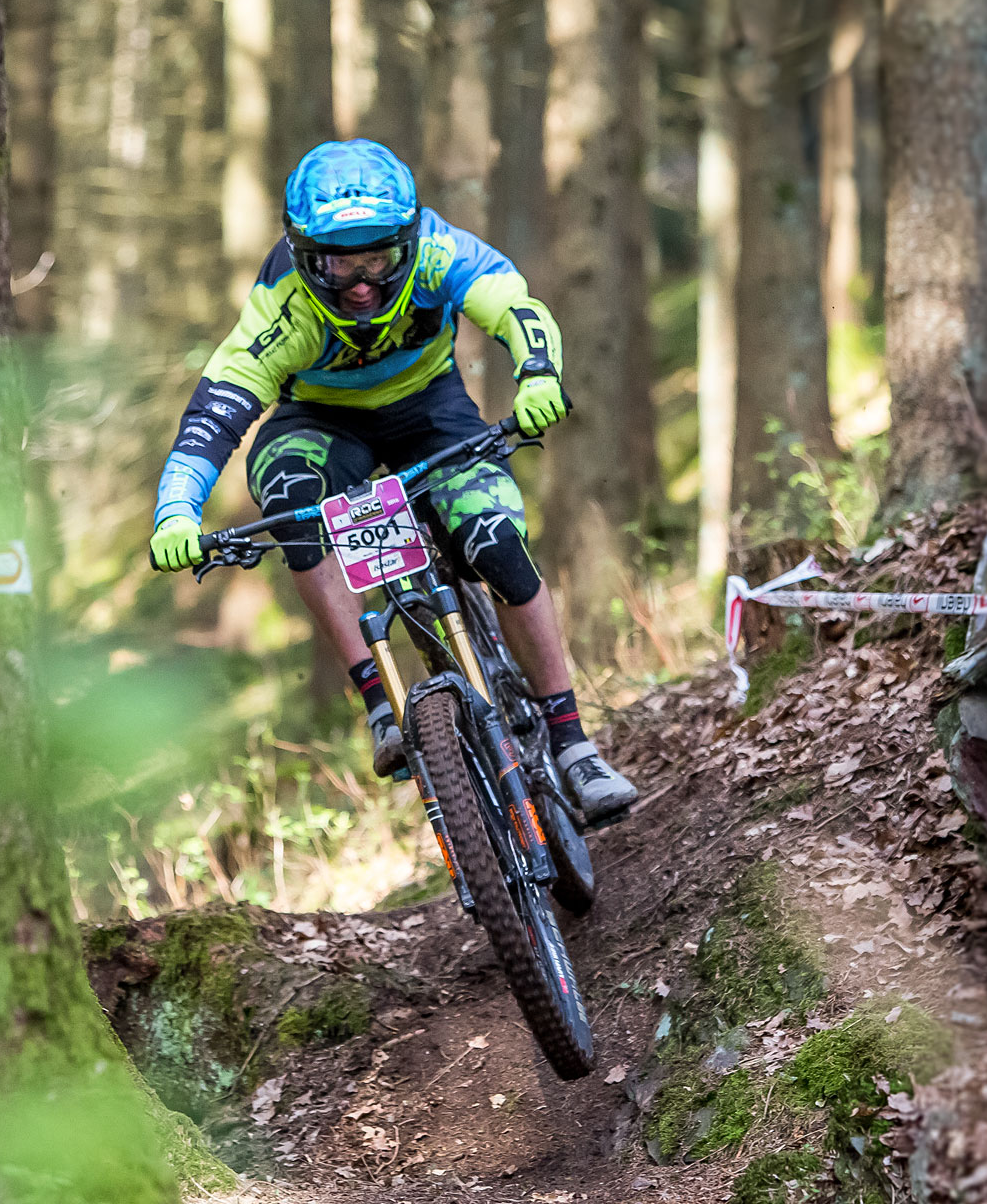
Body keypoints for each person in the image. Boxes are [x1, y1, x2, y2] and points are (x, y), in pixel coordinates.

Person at [147, 139, 638, 824]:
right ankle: (380, 703)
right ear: (305, 255)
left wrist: (538, 375)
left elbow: (513, 306)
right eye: (339, 262)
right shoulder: (281, 305)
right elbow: (215, 415)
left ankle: (573, 744)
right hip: (320, 423)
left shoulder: (441, 252)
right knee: (290, 498)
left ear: (405, 243)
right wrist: (176, 511)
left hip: (430, 409)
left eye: (377, 258)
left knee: (496, 541)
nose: (360, 283)